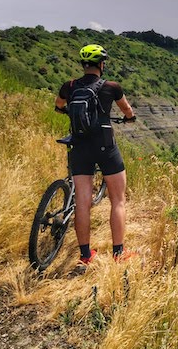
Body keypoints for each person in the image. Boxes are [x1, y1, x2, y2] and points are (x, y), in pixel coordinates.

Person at [54, 43, 136, 264]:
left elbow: (59, 105)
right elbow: (127, 111)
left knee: (82, 201)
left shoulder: (69, 86)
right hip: (104, 146)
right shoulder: (112, 86)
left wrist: (69, 111)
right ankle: (119, 254)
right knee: (118, 199)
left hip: (79, 146)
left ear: (83, 64)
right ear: (101, 64)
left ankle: (85, 255)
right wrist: (129, 118)